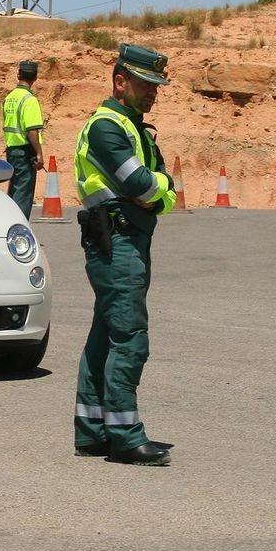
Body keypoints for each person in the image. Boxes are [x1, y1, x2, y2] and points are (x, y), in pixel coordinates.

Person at [72, 43, 177, 466]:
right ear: (120, 81)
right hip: (116, 242)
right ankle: (125, 435)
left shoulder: (135, 129)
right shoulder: (107, 128)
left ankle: (93, 430)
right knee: (130, 336)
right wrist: (158, 192)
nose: (153, 92)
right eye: (146, 84)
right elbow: (144, 187)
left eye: (156, 86)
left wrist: (159, 192)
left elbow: (163, 186)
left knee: (105, 336)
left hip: (127, 240)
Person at [1, 60, 44, 219]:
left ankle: (10, 225)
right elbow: (32, 130)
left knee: (14, 191)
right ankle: (18, 228)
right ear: (35, 78)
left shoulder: (9, 97)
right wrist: (39, 153)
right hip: (25, 153)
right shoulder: (29, 99)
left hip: (12, 150)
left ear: (18, 74)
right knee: (23, 195)